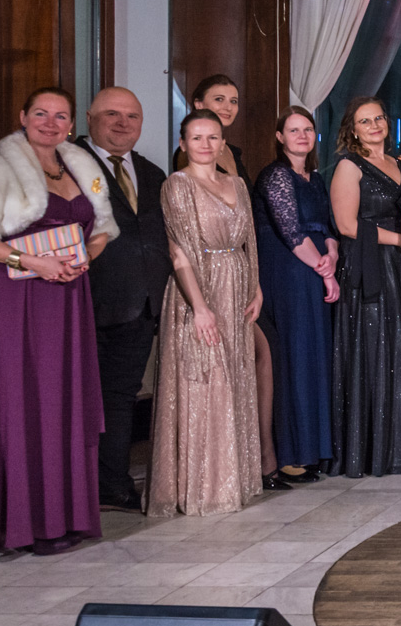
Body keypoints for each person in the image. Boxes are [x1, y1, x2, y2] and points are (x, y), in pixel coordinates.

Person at [0, 87, 116, 555]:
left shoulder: (81, 168)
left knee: (64, 401)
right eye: (41, 113)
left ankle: (65, 516)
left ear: (72, 125)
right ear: (23, 116)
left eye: (60, 116)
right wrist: (31, 262)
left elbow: (103, 229)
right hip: (18, 296)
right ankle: (27, 524)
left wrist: (87, 256)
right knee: (25, 401)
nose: (50, 123)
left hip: (69, 294)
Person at [148, 110, 262, 517]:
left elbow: (250, 240)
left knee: (235, 378)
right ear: (183, 144)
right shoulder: (177, 185)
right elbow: (178, 251)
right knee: (207, 379)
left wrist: (256, 287)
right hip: (198, 288)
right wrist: (199, 306)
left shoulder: (237, 184)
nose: (205, 144)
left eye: (213, 137)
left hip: (237, 288)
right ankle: (206, 487)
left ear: (222, 142)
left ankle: (234, 479)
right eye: (196, 137)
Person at [75, 86, 169, 511]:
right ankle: (73, 489)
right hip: (83, 300)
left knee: (121, 396)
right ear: (90, 118)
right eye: (112, 114)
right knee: (79, 397)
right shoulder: (68, 164)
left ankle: (113, 485)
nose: (122, 123)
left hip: (141, 303)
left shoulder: (151, 173)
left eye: (132, 116)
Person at [179, 72, 276, 483]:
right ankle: (245, 463)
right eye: (218, 99)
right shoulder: (185, 161)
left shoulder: (233, 153)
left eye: (233, 100)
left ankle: (258, 457)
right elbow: (185, 239)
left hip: (242, 276)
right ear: (197, 104)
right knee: (241, 361)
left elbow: (246, 225)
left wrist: (253, 281)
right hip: (208, 279)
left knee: (257, 358)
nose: (227, 107)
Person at [253, 106, 337, 485]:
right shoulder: (275, 176)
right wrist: (324, 268)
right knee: (294, 357)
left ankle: (314, 449)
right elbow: (290, 231)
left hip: (316, 268)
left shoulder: (315, 178)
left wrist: (332, 256)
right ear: (279, 137)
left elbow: (328, 227)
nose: (302, 136)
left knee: (315, 357)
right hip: (289, 271)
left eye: (307, 129)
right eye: (293, 130)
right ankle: (289, 454)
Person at [330, 96, 401, 477]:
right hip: (368, 265)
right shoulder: (349, 166)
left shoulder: (399, 164)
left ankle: (398, 446)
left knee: (398, 347)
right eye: (365, 121)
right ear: (353, 129)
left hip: (400, 265)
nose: (375, 125)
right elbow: (347, 226)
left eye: (378, 118)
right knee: (374, 347)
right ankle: (371, 451)